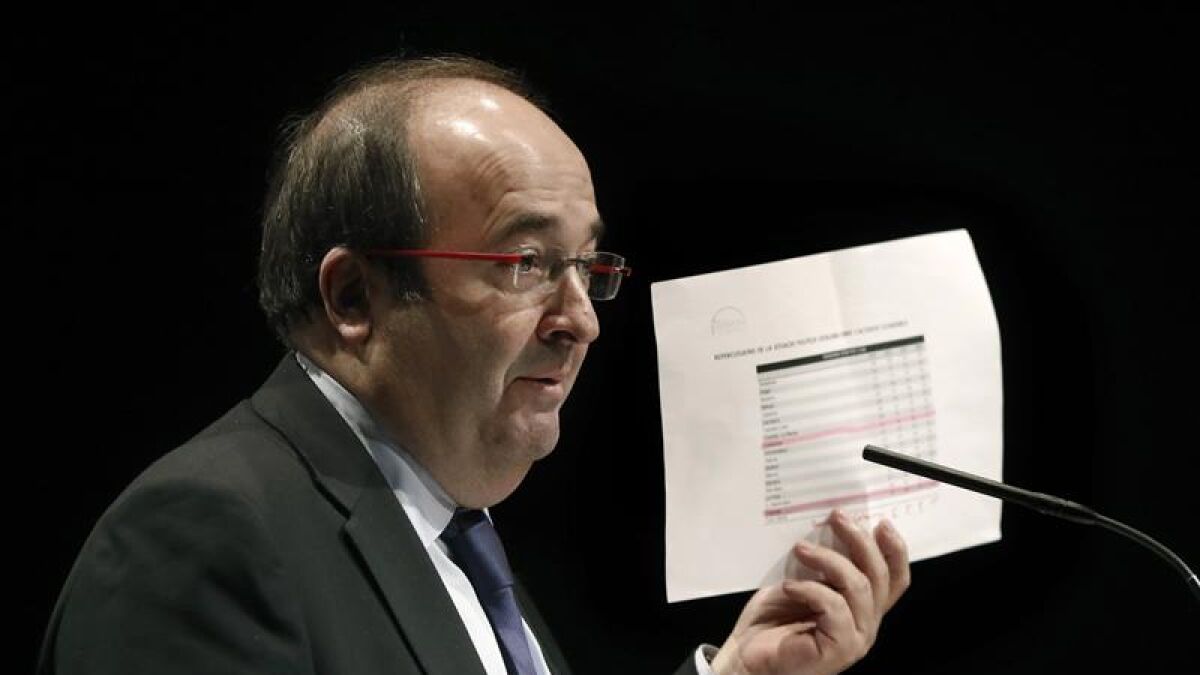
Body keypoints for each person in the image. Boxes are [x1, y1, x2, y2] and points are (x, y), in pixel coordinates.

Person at [38, 55, 910, 675]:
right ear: (354, 297)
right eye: (526, 262)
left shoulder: (459, 541)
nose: (581, 321)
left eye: (587, 267)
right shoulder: (204, 538)